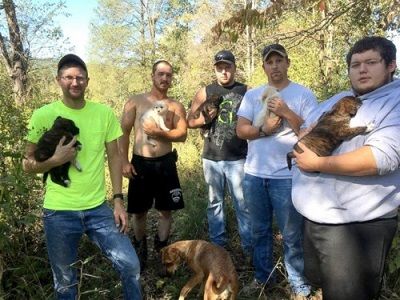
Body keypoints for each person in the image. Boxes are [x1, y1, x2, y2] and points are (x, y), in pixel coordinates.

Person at [22, 54, 142, 299]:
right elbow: (26, 163)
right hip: (59, 212)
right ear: (58, 80)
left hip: (98, 209)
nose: (74, 82)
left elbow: (115, 157)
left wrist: (118, 200)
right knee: (65, 283)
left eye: (80, 78)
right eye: (68, 77)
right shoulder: (43, 115)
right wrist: (55, 160)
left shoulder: (103, 113)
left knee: (131, 265)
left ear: (88, 80)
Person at [292, 36, 399, 300]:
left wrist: (317, 163)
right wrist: (306, 131)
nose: (362, 69)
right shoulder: (341, 97)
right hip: (316, 217)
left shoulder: (395, 101)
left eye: (371, 62)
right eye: (355, 64)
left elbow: (380, 158)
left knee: (350, 295)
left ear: (391, 66)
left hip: (356, 228)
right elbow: (309, 125)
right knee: (326, 287)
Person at [236, 44, 318, 299]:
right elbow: (241, 130)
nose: (275, 66)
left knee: (292, 233)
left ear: (287, 63)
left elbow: (312, 134)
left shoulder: (303, 95)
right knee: (259, 231)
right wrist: (264, 131)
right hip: (254, 176)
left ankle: (298, 283)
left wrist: (285, 112)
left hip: (287, 176)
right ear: (264, 67)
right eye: (270, 62)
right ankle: (263, 278)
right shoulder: (253, 96)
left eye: (279, 61)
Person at [119, 60, 187, 271]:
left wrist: (159, 133)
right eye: (160, 74)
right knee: (139, 212)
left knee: (166, 211)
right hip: (141, 163)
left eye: (168, 74)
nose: (164, 78)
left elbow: (182, 134)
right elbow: (123, 132)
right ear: (152, 76)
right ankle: (141, 251)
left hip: (166, 163)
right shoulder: (135, 102)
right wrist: (124, 161)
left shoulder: (175, 106)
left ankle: (163, 252)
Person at [186, 50, 253, 260]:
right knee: (215, 203)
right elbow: (189, 121)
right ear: (215, 69)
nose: (224, 72)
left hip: (238, 157)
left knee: (243, 204)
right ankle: (218, 248)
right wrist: (204, 119)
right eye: (220, 68)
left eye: (228, 67)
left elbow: (255, 120)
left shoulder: (246, 91)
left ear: (234, 67)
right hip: (212, 158)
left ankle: (248, 249)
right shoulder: (205, 91)